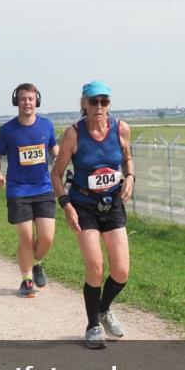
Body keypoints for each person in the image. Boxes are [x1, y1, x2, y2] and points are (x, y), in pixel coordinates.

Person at [51, 80, 135, 349]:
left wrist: (130, 176)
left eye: (104, 101)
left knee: (121, 271)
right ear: (83, 104)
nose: (99, 106)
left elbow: (127, 158)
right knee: (96, 267)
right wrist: (66, 206)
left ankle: (103, 309)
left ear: (109, 104)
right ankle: (92, 326)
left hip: (112, 204)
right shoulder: (73, 134)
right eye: (93, 101)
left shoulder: (121, 129)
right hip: (83, 205)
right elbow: (56, 174)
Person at [0, 83, 59, 298]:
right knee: (27, 237)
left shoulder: (46, 125)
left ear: (36, 100)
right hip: (18, 190)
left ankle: (36, 262)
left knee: (47, 238)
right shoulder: (8, 130)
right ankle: (26, 279)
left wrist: (59, 159)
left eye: (30, 98)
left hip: (43, 188)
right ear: (16, 102)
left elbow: (54, 148)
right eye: (22, 99)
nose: (27, 102)